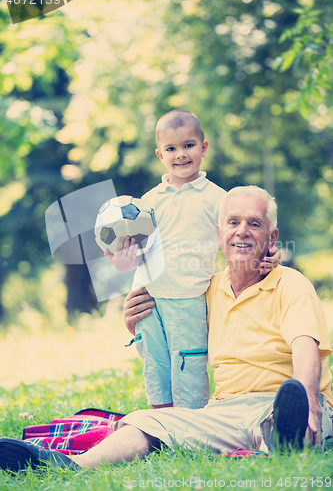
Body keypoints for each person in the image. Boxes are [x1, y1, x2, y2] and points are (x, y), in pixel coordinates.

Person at [1, 185, 332, 472]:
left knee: (292, 420)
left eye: (254, 224)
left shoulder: (290, 284)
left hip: (287, 400)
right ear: (219, 234)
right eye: (233, 222)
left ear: (271, 237)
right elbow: (174, 332)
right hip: (225, 409)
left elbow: (306, 346)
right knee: (144, 420)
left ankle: (287, 435)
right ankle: (67, 465)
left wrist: (307, 399)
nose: (242, 231)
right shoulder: (203, 289)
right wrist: (136, 325)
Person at [105, 109, 279, 410]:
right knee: (155, 363)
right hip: (147, 297)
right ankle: (161, 420)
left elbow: (245, 232)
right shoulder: (146, 202)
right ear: (160, 154)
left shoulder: (219, 199)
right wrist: (121, 260)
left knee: (188, 364)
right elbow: (132, 258)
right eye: (171, 149)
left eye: (188, 145)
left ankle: (190, 422)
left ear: (204, 148)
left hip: (189, 297)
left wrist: (269, 255)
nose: (180, 154)